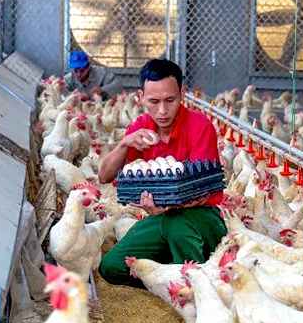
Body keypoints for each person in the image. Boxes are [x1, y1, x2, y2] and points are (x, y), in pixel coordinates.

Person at [97, 58, 226, 289]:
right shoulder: (140, 127)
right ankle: (168, 279)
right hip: (162, 216)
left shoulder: (199, 126)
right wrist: (125, 143)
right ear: (141, 97)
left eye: (170, 100)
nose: (163, 111)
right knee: (111, 267)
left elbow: (202, 194)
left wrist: (166, 204)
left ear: (182, 95)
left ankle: (195, 289)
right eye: (154, 102)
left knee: (176, 227)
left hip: (202, 216)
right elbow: (104, 176)